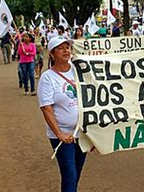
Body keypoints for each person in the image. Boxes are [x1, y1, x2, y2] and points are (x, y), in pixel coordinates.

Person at [37, 36, 87, 192]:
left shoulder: (79, 69)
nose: (66, 51)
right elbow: (46, 108)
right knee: (69, 175)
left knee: (76, 172)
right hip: (63, 135)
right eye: (60, 48)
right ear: (52, 54)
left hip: (82, 132)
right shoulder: (47, 78)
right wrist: (59, 134)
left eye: (67, 47)